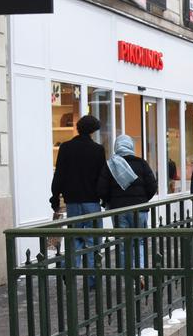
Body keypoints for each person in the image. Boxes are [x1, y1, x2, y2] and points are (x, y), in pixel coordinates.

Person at [50, 114, 106, 285]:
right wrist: (103, 196)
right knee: (93, 240)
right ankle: (92, 279)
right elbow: (101, 176)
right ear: (93, 131)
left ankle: (71, 271)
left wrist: (55, 196)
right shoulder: (97, 150)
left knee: (74, 237)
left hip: (72, 201)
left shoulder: (66, 148)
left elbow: (59, 174)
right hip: (91, 201)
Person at [97, 135, 158, 272]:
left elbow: (101, 189)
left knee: (123, 243)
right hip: (139, 209)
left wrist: (110, 201)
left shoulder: (110, 164)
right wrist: (142, 199)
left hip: (119, 210)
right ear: (131, 146)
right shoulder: (141, 163)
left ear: (116, 147)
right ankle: (140, 271)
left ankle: (128, 273)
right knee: (140, 241)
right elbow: (152, 186)